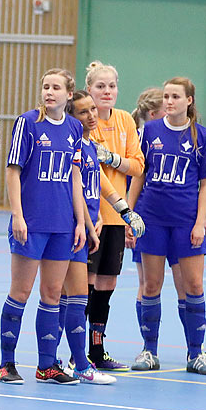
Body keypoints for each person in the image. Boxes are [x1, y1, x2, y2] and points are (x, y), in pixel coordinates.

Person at [0, 69, 89, 385]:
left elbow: (75, 177)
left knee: (52, 292)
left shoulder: (75, 128)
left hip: (62, 224)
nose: (49, 92)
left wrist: (80, 221)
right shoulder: (28, 124)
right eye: (45, 87)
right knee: (21, 291)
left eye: (55, 88)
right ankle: (6, 363)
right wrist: (18, 215)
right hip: (32, 222)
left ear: (68, 94)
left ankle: (47, 365)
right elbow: (12, 172)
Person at [127, 77, 206, 375]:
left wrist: (201, 220)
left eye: (175, 97)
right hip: (152, 219)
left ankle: (195, 353)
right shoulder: (149, 131)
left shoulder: (202, 137)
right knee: (151, 285)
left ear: (189, 101)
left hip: (185, 222)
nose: (169, 101)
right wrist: (128, 214)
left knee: (193, 286)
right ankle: (149, 351)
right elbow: (139, 175)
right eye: (166, 96)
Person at [65, 91, 145, 383]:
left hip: (101, 220)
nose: (91, 116)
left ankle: (92, 352)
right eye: (84, 111)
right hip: (80, 224)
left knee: (102, 286)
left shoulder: (99, 140)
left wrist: (125, 211)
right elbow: (77, 185)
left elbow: (103, 181)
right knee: (72, 292)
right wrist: (88, 218)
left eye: (92, 111)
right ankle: (69, 357)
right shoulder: (73, 144)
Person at [82, 61, 146, 372]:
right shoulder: (85, 122)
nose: (107, 92)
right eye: (100, 87)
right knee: (85, 285)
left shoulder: (125, 121)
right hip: (95, 214)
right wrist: (122, 202)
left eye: (111, 86)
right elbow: (95, 171)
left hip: (117, 221)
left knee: (107, 284)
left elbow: (137, 166)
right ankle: (75, 352)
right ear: (89, 90)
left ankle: (97, 349)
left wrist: (114, 159)